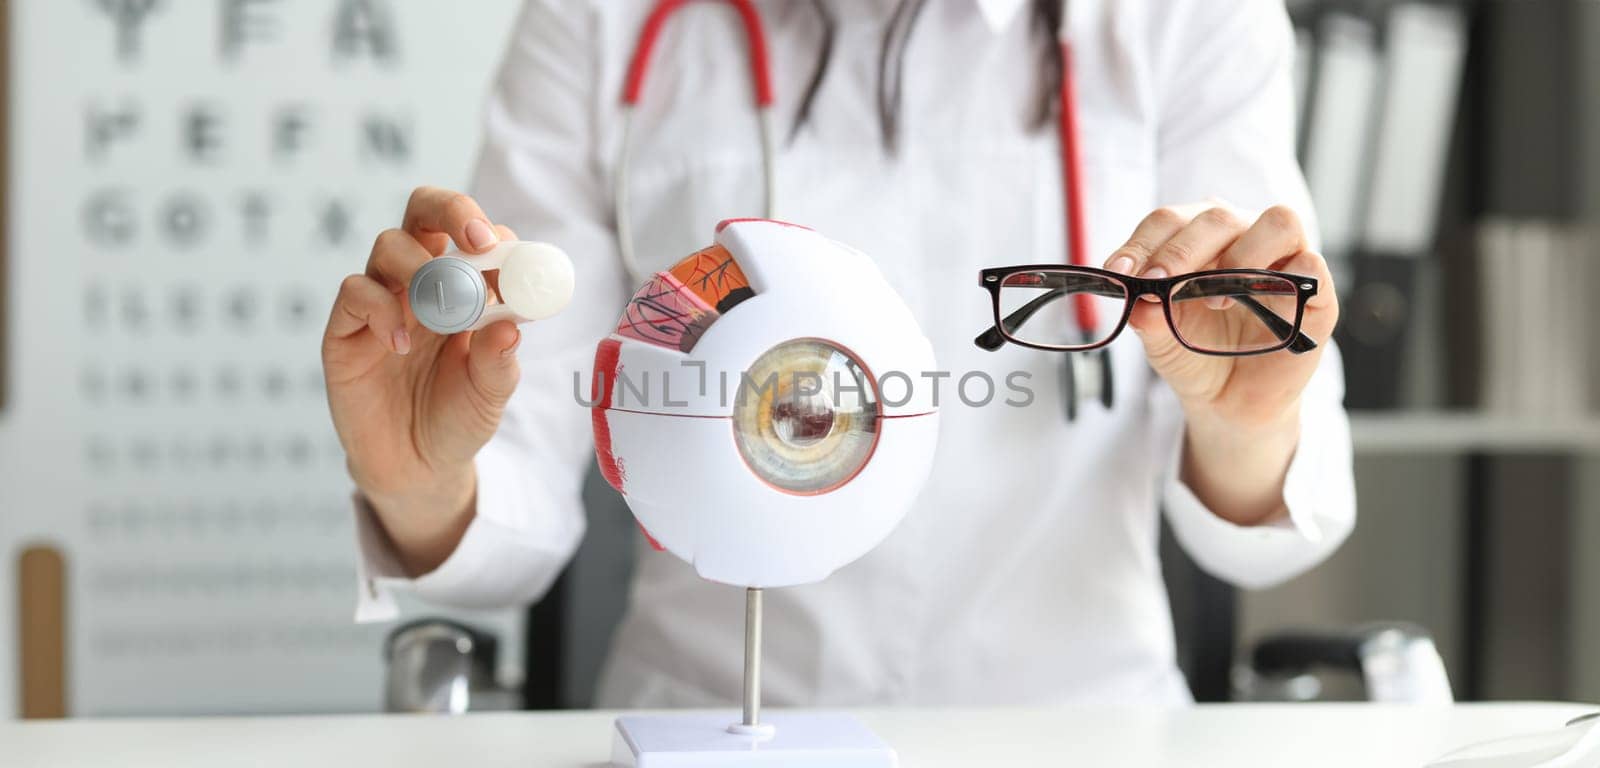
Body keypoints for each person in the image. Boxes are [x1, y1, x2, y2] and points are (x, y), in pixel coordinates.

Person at [322, 0, 1352, 707]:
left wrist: (1243, 422)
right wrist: (422, 481)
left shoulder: (1190, 20)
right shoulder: (603, 22)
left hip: (1080, 723)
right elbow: (519, 478)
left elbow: (1273, 525)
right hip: (712, 719)